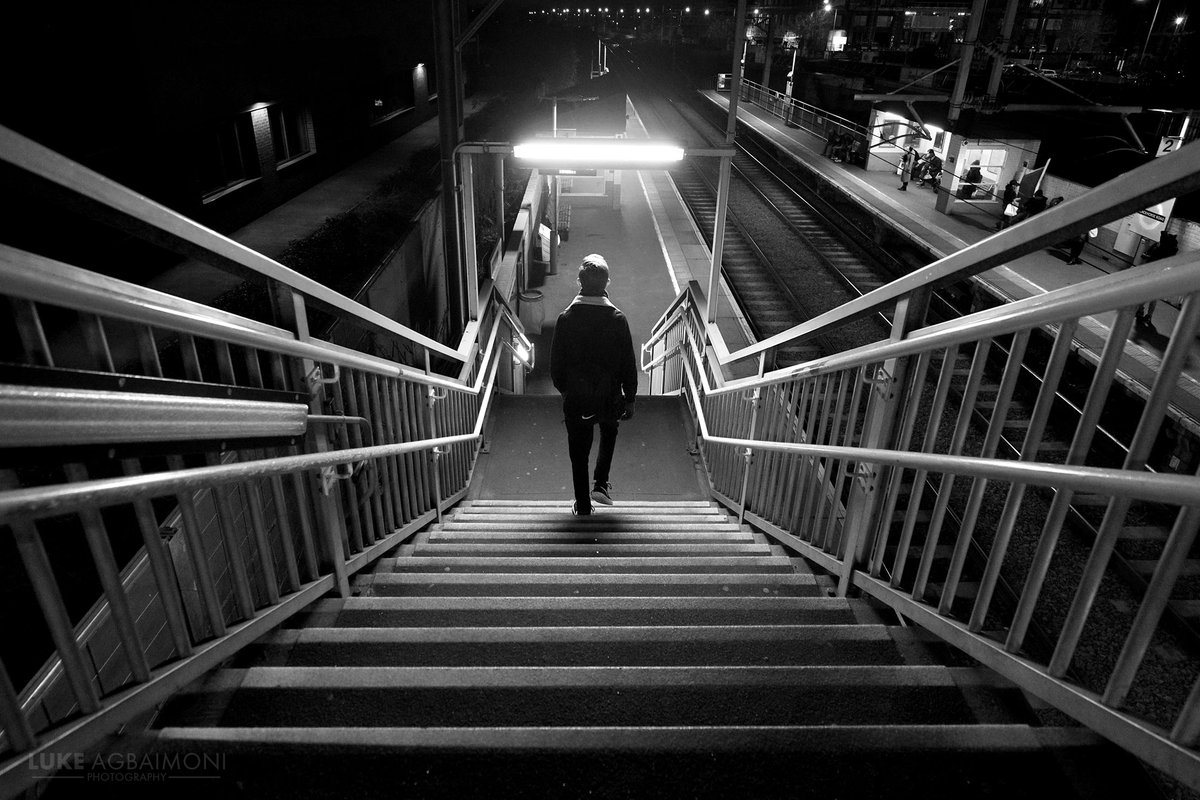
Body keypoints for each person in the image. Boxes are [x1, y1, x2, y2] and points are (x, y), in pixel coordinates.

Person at [550, 254, 638, 515]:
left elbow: (556, 367)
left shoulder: (565, 319)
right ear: (606, 283)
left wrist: (567, 391)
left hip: (576, 399)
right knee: (610, 429)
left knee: (579, 451)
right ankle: (600, 482)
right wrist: (629, 397)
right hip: (609, 396)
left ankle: (584, 505)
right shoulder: (617, 319)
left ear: (579, 282)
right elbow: (628, 363)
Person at [1135, 233, 1179, 327]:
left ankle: (1140, 310)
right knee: (1154, 297)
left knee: (1144, 294)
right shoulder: (1170, 250)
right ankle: (1149, 315)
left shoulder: (1157, 247)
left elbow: (1145, 256)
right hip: (1161, 276)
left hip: (1151, 273)